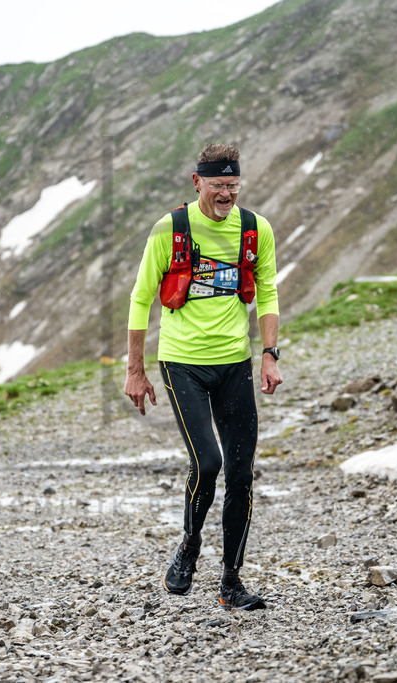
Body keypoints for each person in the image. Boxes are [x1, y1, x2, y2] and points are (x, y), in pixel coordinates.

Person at [124, 143, 282, 611]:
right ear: (198, 184)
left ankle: (231, 581)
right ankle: (190, 544)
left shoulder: (256, 230)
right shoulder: (170, 229)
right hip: (182, 364)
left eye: (233, 186)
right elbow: (140, 299)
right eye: (218, 186)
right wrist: (136, 370)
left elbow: (268, 292)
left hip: (234, 363)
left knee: (241, 475)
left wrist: (269, 355)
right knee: (207, 464)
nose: (226, 195)